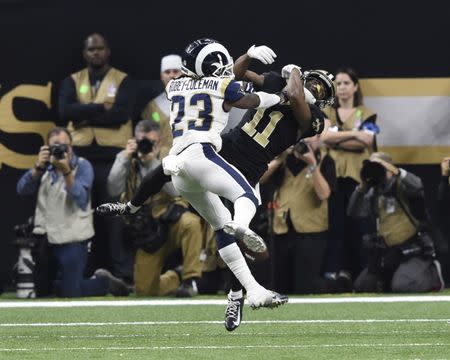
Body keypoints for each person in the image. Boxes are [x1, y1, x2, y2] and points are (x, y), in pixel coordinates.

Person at [97, 44, 335, 330]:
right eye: (316, 86)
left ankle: (236, 294)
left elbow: (296, 95)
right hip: (228, 150)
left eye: (321, 92)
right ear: (310, 79)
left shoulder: (313, 119)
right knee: (230, 223)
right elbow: (229, 78)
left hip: (252, 165)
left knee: (232, 230)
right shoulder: (277, 83)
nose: (315, 92)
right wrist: (247, 57)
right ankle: (238, 291)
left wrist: (292, 72)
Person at [58, 33, 136, 281]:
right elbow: (64, 111)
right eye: (91, 49)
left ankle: (123, 274)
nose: (96, 53)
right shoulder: (72, 80)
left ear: (108, 51)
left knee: (115, 216)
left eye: (100, 48)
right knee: (80, 214)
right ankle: (80, 273)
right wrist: (101, 109)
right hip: (80, 157)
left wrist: (82, 117)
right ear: (85, 53)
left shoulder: (122, 79)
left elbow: (121, 116)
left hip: (113, 156)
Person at [16, 127, 129, 297]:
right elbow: (22, 190)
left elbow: (81, 199)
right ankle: (79, 282)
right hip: (45, 238)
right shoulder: (44, 168)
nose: (60, 150)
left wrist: (67, 171)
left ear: (71, 145)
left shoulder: (83, 166)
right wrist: (37, 167)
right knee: (44, 292)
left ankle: (103, 283)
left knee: (71, 293)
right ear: (47, 147)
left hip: (73, 239)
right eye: (55, 146)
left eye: (64, 145)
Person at [107, 120, 203, 297]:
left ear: (159, 141)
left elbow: (175, 190)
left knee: (192, 223)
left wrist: (154, 164)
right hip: (147, 228)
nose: (146, 146)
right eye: (142, 141)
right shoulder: (127, 159)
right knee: (144, 291)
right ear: (134, 140)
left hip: (171, 219)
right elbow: (113, 189)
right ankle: (176, 277)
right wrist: (123, 159)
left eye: (151, 142)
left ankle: (190, 280)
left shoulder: (171, 156)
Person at [259, 135, 352, 294]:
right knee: (279, 287)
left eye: (312, 137)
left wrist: (312, 165)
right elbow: (259, 179)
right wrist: (279, 159)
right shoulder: (283, 159)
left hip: (311, 231)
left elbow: (324, 194)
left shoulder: (325, 160)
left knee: (305, 287)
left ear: (319, 139)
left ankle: (340, 284)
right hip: (281, 228)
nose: (307, 141)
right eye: (304, 136)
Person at [347, 152, 444, 292]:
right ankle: (394, 277)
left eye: (378, 167)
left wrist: (396, 171)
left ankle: (433, 275)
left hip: (413, 249)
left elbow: (418, 186)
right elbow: (354, 212)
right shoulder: (372, 191)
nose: (375, 170)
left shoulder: (402, 185)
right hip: (388, 252)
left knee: (403, 286)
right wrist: (362, 186)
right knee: (363, 286)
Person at [321, 67, 379, 281]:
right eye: (338, 83)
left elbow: (367, 141)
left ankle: (364, 274)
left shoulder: (367, 112)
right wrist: (355, 134)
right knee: (336, 228)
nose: (342, 87)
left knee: (360, 226)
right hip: (333, 176)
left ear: (355, 86)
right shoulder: (327, 111)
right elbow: (324, 136)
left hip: (358, 178)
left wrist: (338, 136)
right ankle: (334, 273)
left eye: (346, 83)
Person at [140, 54, 182, 158]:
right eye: (167, 72)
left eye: (175, 71)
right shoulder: (153, 106)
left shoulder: (196, 99)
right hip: (163, 160)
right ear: (161, 76)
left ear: (183, 74)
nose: (171, 75)